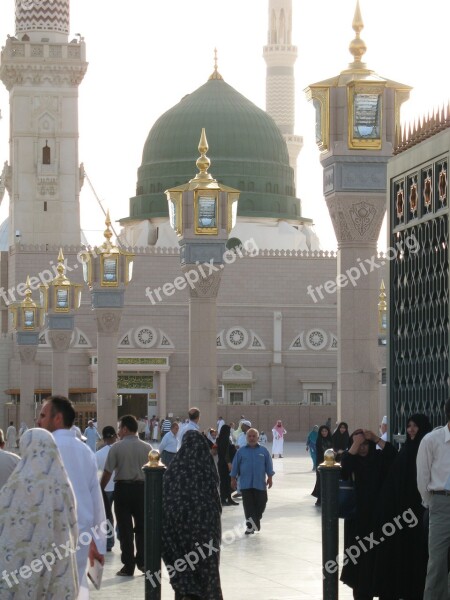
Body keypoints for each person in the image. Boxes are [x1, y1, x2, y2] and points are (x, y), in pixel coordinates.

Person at [37, 395, 106, 598]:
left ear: (57, 418)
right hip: (81, 535)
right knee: (76, 587)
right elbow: (96, 501)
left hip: (48, 535)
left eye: (42, 415)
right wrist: (97, 542)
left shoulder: (43, 449)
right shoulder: (86, 452)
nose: (38, 420)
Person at [0, 428, 79, 600]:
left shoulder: (15, 483)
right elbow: (73, 522)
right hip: (58, 553)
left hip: (21, 560)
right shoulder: (63, 484)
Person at [373, 413, 432, 600]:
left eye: (415, 426)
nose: (411, 430)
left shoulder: (426, 447)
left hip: (420, 508)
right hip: (404, 511)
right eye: (409, 426)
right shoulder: (408, 448)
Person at [162, 430, 223, 600]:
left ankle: (186, 592)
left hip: (178, 532)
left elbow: (164, 502)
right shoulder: (208, 469)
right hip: (205, 532)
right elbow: (215, 502)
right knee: (207, 570)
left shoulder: (173, 470)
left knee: (183, 567)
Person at [340, 428, 397, 600]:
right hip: (357, 519)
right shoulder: (353, 462)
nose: (363, 448)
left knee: (377, 560)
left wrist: (375, 438)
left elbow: (394, 455)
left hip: (378, 518)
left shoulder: (378, 459)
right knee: (358, 561)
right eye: (358, 445)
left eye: (365, 444)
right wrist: (355, 444)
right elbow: (344, 469)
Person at [100, 414, 153, 576]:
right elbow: (153, 473)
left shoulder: (116, 447)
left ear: (125, 429)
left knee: (125, 529)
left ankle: (128, 565)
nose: (118, 432)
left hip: (123, 490)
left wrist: (100, 489)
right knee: (142, 527)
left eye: (119, 428)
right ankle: (143, 563)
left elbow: (108, 472)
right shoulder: (148, 448)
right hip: (142, 490)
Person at [417, 399, 450, 600]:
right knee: (437, 562)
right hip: (441, 503)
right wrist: (432, 503)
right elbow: (423, 477)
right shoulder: (432, 440)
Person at [230, 427, 275, 534]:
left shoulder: (263, 451)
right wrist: (233, 479)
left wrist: (270, 478)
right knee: (248, 506)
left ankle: (255, 521)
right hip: (245, 484)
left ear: (258, 437)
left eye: (254, 436)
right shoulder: (241, 451)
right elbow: (235, 466)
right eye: (249, 436)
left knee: (262, 502)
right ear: (246, 437)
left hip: (260, 484)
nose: (251, 438)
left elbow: (269, 465)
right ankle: (250, 527)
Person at [96, 425, 118, 552]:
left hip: (105, 488)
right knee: (122, 515)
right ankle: (122, 537)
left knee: (107, 516)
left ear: (103, 439)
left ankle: (109, 542)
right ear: (115, 436)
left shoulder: (98, 454)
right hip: (120, 486)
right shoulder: (120, 450)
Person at [311, 424, 333, 506]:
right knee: (320, 481)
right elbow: (320, 453)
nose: (324, 433)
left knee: (329, 481)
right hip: (321, 463)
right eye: (322, 431)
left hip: (330, 464)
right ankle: (320, 499)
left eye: (325, 431)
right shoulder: (319, 440)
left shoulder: (331, 440)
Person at [217, 424, 238, 506]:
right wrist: (229, 463)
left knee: (228, 481)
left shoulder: (222, 439)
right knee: (224, 481)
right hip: (225, 464)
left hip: (224, 464)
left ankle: (229, 498)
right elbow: (225, 452)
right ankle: (223, 499)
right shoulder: (224, 440)